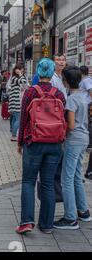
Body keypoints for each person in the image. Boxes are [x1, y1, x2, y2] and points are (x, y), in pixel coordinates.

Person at [16, 58, 66, 235]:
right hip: (54, 144)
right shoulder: (59, 94)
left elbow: (23, 119)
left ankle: (27, 222)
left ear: (38, 72)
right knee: (48, 184)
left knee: (28, 182)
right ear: (52, 72)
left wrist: (21, 142)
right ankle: (46, 224)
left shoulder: (31, 92)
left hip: (34, 142)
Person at [53, 66, 92, 230]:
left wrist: (63, 135)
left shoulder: (71, 100)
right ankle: (83, 211)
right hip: (84, 138)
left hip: (73, 139)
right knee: (76, 175)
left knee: (66, 179)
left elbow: (70, 123)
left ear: (65, 82)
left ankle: (70, 218)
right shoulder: (84, 97)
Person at [8, 64, 28, 141]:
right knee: (18, 119)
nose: (21, 70)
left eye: (21, 69)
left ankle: (13, 134)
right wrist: (20, 74)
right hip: (16, 102)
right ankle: (13, 135)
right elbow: (23, 82)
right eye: (19, 69)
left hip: (15, 102)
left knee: (14, 119)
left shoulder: (15, 78)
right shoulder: (14, 78)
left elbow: (25, 85)